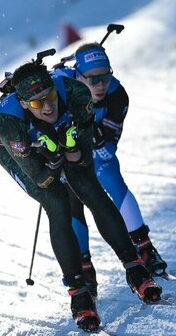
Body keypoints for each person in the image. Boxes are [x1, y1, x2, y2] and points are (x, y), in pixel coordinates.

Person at [0, 60, 162, 332]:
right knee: (57, 203)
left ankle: (134, 267)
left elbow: (80, 161)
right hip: (24, 154)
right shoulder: (8, 123)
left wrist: (68, 146)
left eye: (48, 97)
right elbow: (42, 178)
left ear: (54, 87)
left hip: (61, 140)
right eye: (36, 104)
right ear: (24, 105)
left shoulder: (75, 93)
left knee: (89, 187)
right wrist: (50, 159)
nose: (47, 107)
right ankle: (78, 291)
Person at [55, 43, 169, 297]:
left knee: (111, 176)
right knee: (72, 198)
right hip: (70, 156)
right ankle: (84, 265)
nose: (100, 85)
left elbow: (107, 147)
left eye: (105, 77)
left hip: (94, 153)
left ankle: (145, 247)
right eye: (93, 79)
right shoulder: (62, 89)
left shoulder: (117, 95)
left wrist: (94, 137)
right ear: (78, 76)